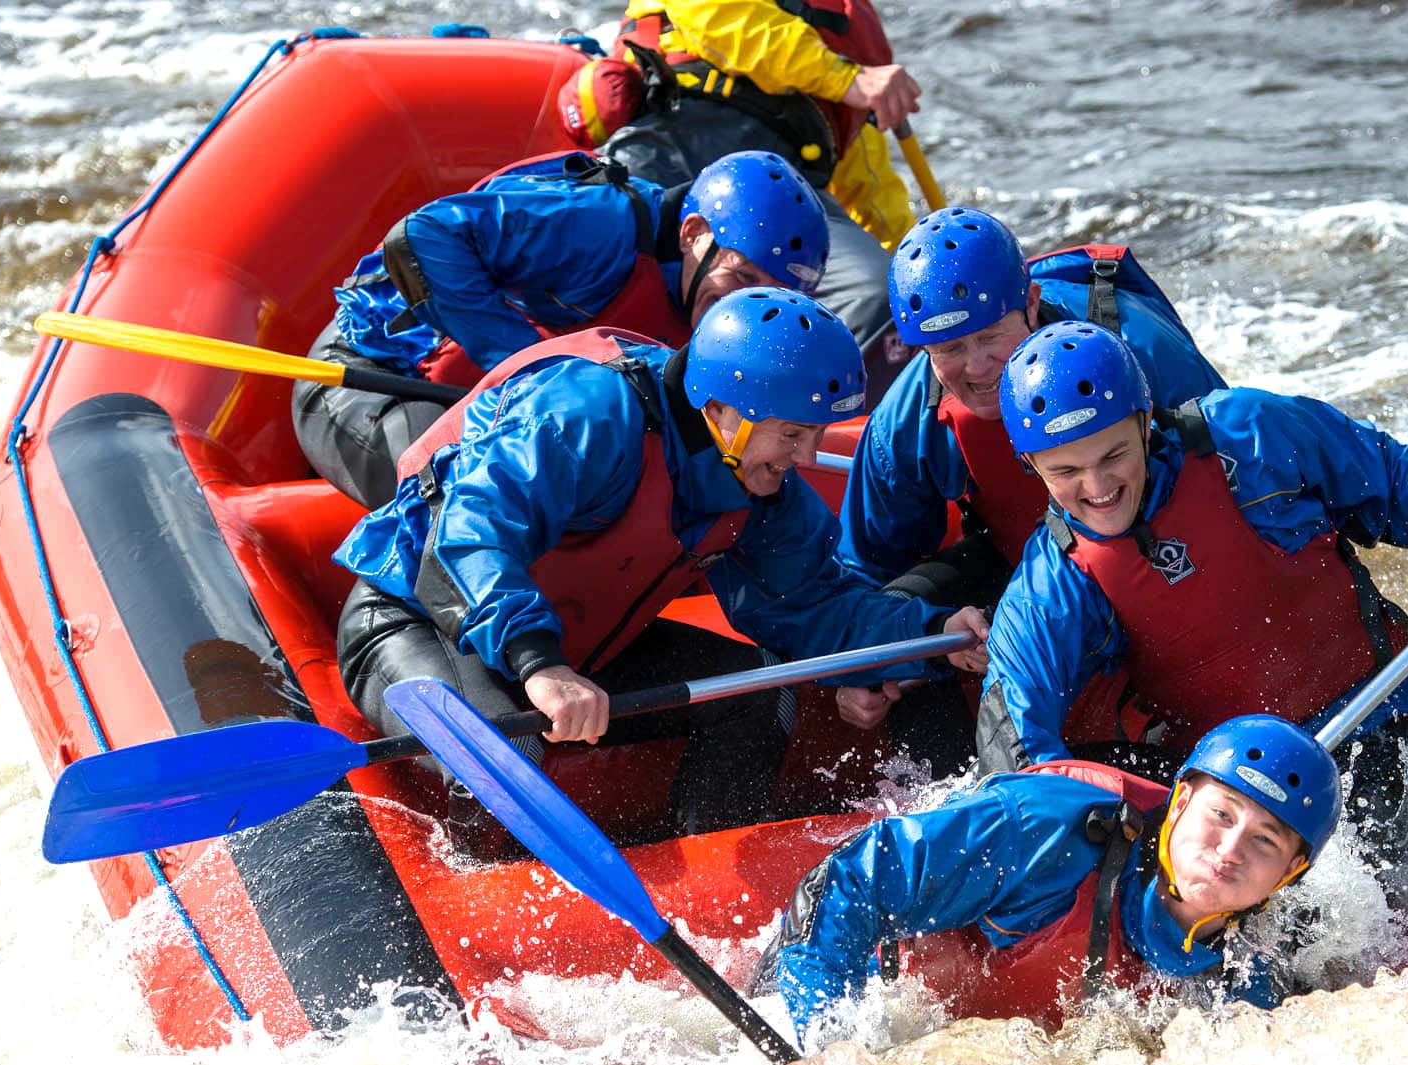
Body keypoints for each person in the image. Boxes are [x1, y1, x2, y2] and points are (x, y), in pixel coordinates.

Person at [332, 287, 987, 838]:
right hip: (415, 619)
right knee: (501, 764)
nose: (807, 456)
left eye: (812, 435)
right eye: (793, 433)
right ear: (722, 411)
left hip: (575, 646)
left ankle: (711, 887)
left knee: (760, 690)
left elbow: (818, 606)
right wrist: (540, 664)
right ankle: (498, 913)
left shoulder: (760, 489)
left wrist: (934, 632)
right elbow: (469, 532)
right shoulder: (593, 414)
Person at [978, 322, 1408, 863]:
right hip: (1233, 796)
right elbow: (1017, 742)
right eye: (1067, 472)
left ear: (1144, 418)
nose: (1099, 487)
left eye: (1113, 455)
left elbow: (1391, 476)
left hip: (1372, 722)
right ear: (1030, 464)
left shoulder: (1248, 435)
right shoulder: (1052, 583)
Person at [830, 206, 1228, 773]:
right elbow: (862, 573)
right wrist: (861, 669)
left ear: (1033, 305)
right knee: (899, 625)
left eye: (991, 336)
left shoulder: (1137, 351)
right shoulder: (909, 423)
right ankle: (947, 796)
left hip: (1162, 550)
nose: (977, 367)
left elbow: (1243, 486)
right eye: (948, 351)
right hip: (1024, 562)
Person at [759, 713, 1339, 1047]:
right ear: (1182, 802)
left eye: (1265, 840)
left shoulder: (1248, 970)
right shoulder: (1044, 832)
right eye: (1221, 813)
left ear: (1290, 873)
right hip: (839, 978)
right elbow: (846, 883)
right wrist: (828, 1056)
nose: (1230, 850)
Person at [294, 149, 829, 508]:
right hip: (370, 377)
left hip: (479, 407)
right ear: (693, 235)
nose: (740, 305)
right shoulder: (599, 226)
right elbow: (421, 238)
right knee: (472, 500)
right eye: (739, 276)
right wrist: (537, 372)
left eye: (764, 293)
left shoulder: (714, 307)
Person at [603, 0, 920, 391]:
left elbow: (870, 180)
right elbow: (714, 16)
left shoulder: (854, 33)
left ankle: (815, 425)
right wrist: (844, 78)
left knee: (877, 292)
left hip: (787, 189)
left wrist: (918, 270)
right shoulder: (847, 74)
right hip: (669, 145)